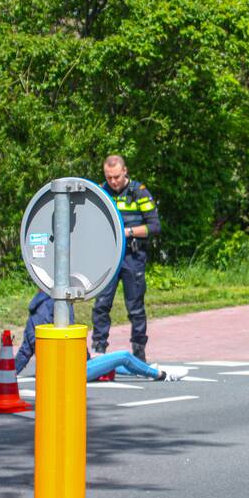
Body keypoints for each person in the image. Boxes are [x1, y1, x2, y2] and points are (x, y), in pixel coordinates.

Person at [14, 290, 186, 381]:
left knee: (107, 361)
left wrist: (9, 373)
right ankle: (160, 375)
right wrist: (88, 358)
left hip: (50, 372)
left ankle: (143, 370)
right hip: (72, 371)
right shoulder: (61, 306)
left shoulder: (33, 316)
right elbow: (72, 339)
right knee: (124, 356)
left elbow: (25, 351)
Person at [91, 155, 161, 362]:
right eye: (109, 177)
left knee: (135, 306)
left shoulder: (139, 193)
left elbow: (155, 227)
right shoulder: (100, 192)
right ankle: (98, 349)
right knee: (101, 305)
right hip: (108, 258)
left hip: (133, 256)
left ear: (125, 172)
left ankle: (139, 351)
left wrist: (127, 232)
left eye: (117, 177)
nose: (113, 181)